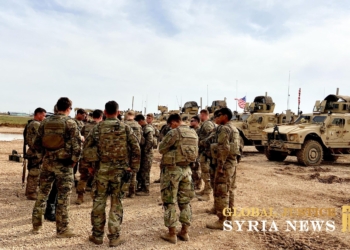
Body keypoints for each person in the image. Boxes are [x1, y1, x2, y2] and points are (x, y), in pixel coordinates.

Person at [85, 101, 140, 247]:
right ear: (118, 111)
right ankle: (114, 237)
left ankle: (97, 236)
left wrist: (89, 166)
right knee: (116, 204)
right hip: (120, 172)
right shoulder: (126, 128)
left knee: (98, 202)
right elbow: (136, 148)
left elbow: (86, 147)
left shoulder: (98, 128)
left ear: (104, 111)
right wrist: (132, 168)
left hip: (101, 171)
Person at [32, 97, 82, 237]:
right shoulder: (70, 123)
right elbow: (77, 146)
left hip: (48, 163)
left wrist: (43, 156)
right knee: (63, 198)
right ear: (68, 108)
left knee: (42, 194)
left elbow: (37, 143)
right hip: (64, 165)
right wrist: (73, 161)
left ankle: (36, 225)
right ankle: (62, 230)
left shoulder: (45, 122)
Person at [158, 113, 198, 244]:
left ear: (175, 122)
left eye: (171, 124)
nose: (170, 127)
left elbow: (161, 149)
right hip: (187, 170)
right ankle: (184, 232)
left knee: (169, 202)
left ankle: (171, 234)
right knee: (185, 202)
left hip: (172, 171)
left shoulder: (174, 133)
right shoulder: (193, 133)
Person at [206, 108, 240, 230]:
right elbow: (238, 147)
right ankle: (229, 219)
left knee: (221, 192)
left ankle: (222, 220)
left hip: (224, 165)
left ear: (225, 116)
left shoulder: (225, 129)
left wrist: (220, 166)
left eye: (218, 115)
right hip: (232, 163)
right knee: (229, 191)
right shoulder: (234, 129)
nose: (216, 118)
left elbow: (223, 148)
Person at [75, 109, 103, 205]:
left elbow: (81, 138)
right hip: (97, 156)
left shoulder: (85, 126)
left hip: (85, 155)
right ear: (101, 116)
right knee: (97, 177)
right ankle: (95, 198)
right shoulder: (102, 127)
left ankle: (80, 197)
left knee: (83, 177)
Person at [24, 107, 46, 200]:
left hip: (33, 152)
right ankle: (31, 193)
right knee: (34, 173)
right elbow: (41, 138)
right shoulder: (36, 124)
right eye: (44, 115)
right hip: (36, 153)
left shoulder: (31, 123)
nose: (44, 118)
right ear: (39, 114)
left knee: (33, 172)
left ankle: (29, 191)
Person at [196, 109, 216, 201]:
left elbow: (212, 136)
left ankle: (207, 193)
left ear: (203, 115)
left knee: (206, 173)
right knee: (204, 172)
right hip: (205, 152)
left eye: (200, 115)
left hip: (206, 152)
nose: (200, 117)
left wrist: (203, 142)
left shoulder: (207, 124)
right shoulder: (206, 124)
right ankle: (205, 190)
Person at [124, 110, 142, 198]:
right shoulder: (138, 126)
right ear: (134, 116)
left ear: (126, 116)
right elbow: (141, 140)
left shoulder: (123, 125)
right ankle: (132, 192)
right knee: (134, 171)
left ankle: (123, 192)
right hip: (136, 150)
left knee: (124, 171)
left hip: (125, 151)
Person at [134, 114, 154, 196]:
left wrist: (144, 151)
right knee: (141, 171)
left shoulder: (148, 129)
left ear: (141, 121)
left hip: (147, 154)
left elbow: (150, 142)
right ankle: (141, 187)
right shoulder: (143, 128)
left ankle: (145, 189)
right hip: (143, 153)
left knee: (145, 171)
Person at [73, 108, 86, 187]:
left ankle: (76, 179)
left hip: (80, 146)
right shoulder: (73, 122)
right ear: (78, 114)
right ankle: (73, 177)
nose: (84, 117)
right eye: (83, 115)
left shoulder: (82, 123)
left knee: (79, 164)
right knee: (74, 163)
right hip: (75, 146)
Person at [189, 115, 201, 190]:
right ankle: (193, 183)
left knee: (196, 169)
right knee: (192, 169)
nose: (190, 122)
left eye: (192, 121)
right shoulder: (191, 129)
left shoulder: (199, 130)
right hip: (191, 151)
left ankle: (198, 184)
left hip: (196, 152)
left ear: (196, 122)